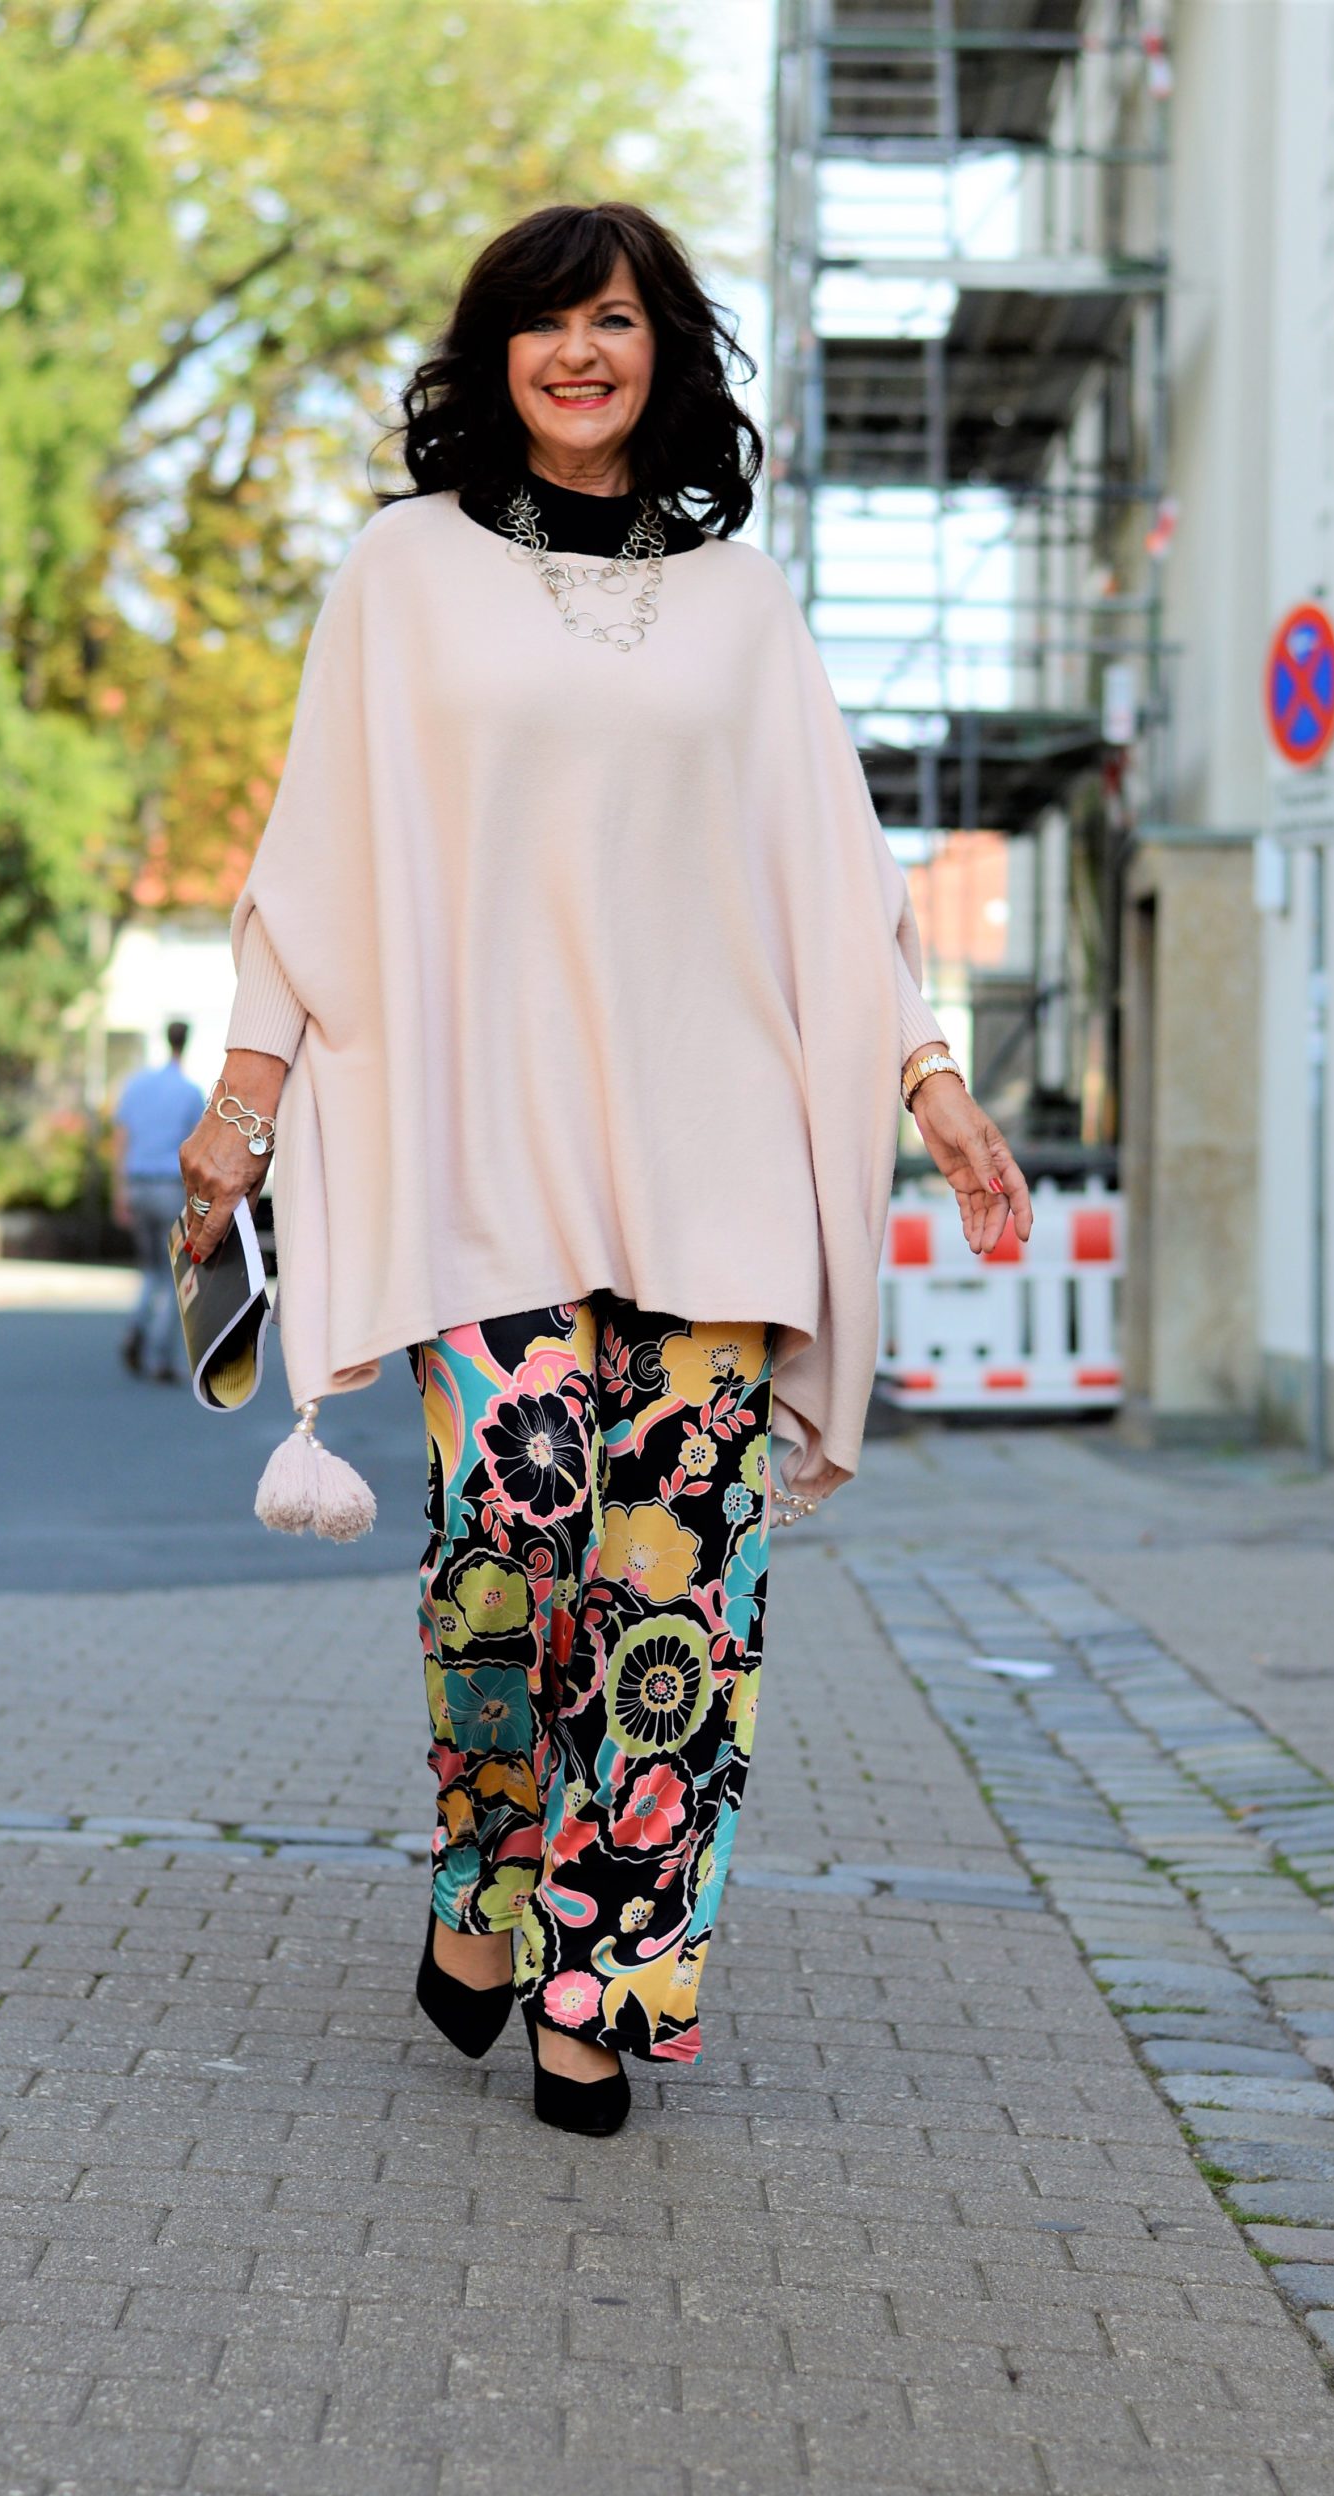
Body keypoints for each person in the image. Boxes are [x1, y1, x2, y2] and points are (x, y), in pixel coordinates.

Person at [179, 203, 1032, 2138]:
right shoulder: (404, 570)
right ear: (494, 356)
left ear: (667, 354)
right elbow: (319, 854)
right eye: (547, 321)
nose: (581, 350)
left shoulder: (740, 604)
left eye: (618, 318)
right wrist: (242, 1101)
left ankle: (603, 1982)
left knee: (674, 1599)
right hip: (481, 1147)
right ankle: (484, 1874)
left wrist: (924, 1076)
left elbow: (832, 880)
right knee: (507, 1543)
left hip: (714, 1161)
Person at [113, 1021, 204, 1384]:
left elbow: (121, 1138)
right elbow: (196, 1149)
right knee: (173, 1276)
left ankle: (136, 1325)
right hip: (169, 1188)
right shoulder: (189, 1092)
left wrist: (119, 1190)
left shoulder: (136, 1086)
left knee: (150, 1268)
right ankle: (162, 1357)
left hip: (137, 1184)